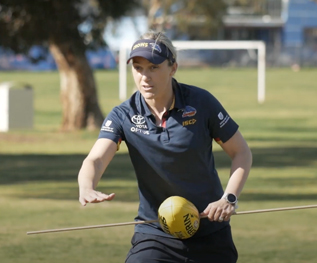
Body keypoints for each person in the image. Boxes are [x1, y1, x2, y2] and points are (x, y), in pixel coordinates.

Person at [78, 31, 252, 263]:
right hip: (156, 234)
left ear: (173, 68)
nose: (144, 77)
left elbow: (241, 152)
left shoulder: (201, 103)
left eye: (154, 67)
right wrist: (87, 186)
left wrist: (228, 198)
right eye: (138, 68)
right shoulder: (123, 115)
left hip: (211, 232)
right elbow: (96, 159)